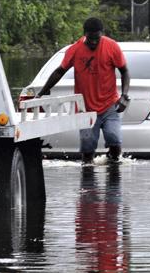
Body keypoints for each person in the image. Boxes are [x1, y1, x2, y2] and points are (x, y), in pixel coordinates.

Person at [36, 17, 130, 164]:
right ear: (85, 33)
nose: (93, 42)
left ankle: (113, 169)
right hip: (85, 108)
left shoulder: (111, 47)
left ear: (102, 34)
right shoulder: (75, 50)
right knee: (87, 151)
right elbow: (59, 71)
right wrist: (43, 91)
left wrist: (124, 95)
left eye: (97, 38)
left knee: (114, 140)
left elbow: (124, 71)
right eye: (90, 38)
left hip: (109, 104)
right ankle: (88, 183)